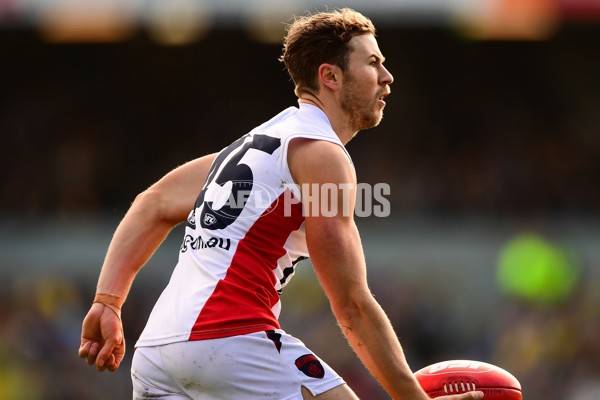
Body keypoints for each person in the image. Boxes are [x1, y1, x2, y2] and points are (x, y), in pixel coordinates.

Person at [79, 8, 484, 400]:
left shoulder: (250, 145)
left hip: (157, 354)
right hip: (231, 339)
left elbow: (152, 204)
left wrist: (107, 302)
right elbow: (351, 305)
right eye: (373, 63)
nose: (387, 77)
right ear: (331, 76)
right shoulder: (322, 154)